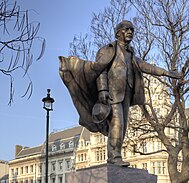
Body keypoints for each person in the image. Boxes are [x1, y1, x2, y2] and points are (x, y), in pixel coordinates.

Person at [59, 20, 181, 166]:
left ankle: (115, 155)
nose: (130, 32)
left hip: (127, 95)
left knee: (122, 127)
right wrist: (102, 90)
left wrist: (166, 73)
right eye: (127, 29)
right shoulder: (108, 50)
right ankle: (114, 157)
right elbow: (100, 70)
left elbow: (146, 66)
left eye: (132, 30)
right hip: (112, 93)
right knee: (116, 124)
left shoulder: (130, 53)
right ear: (118, 33)